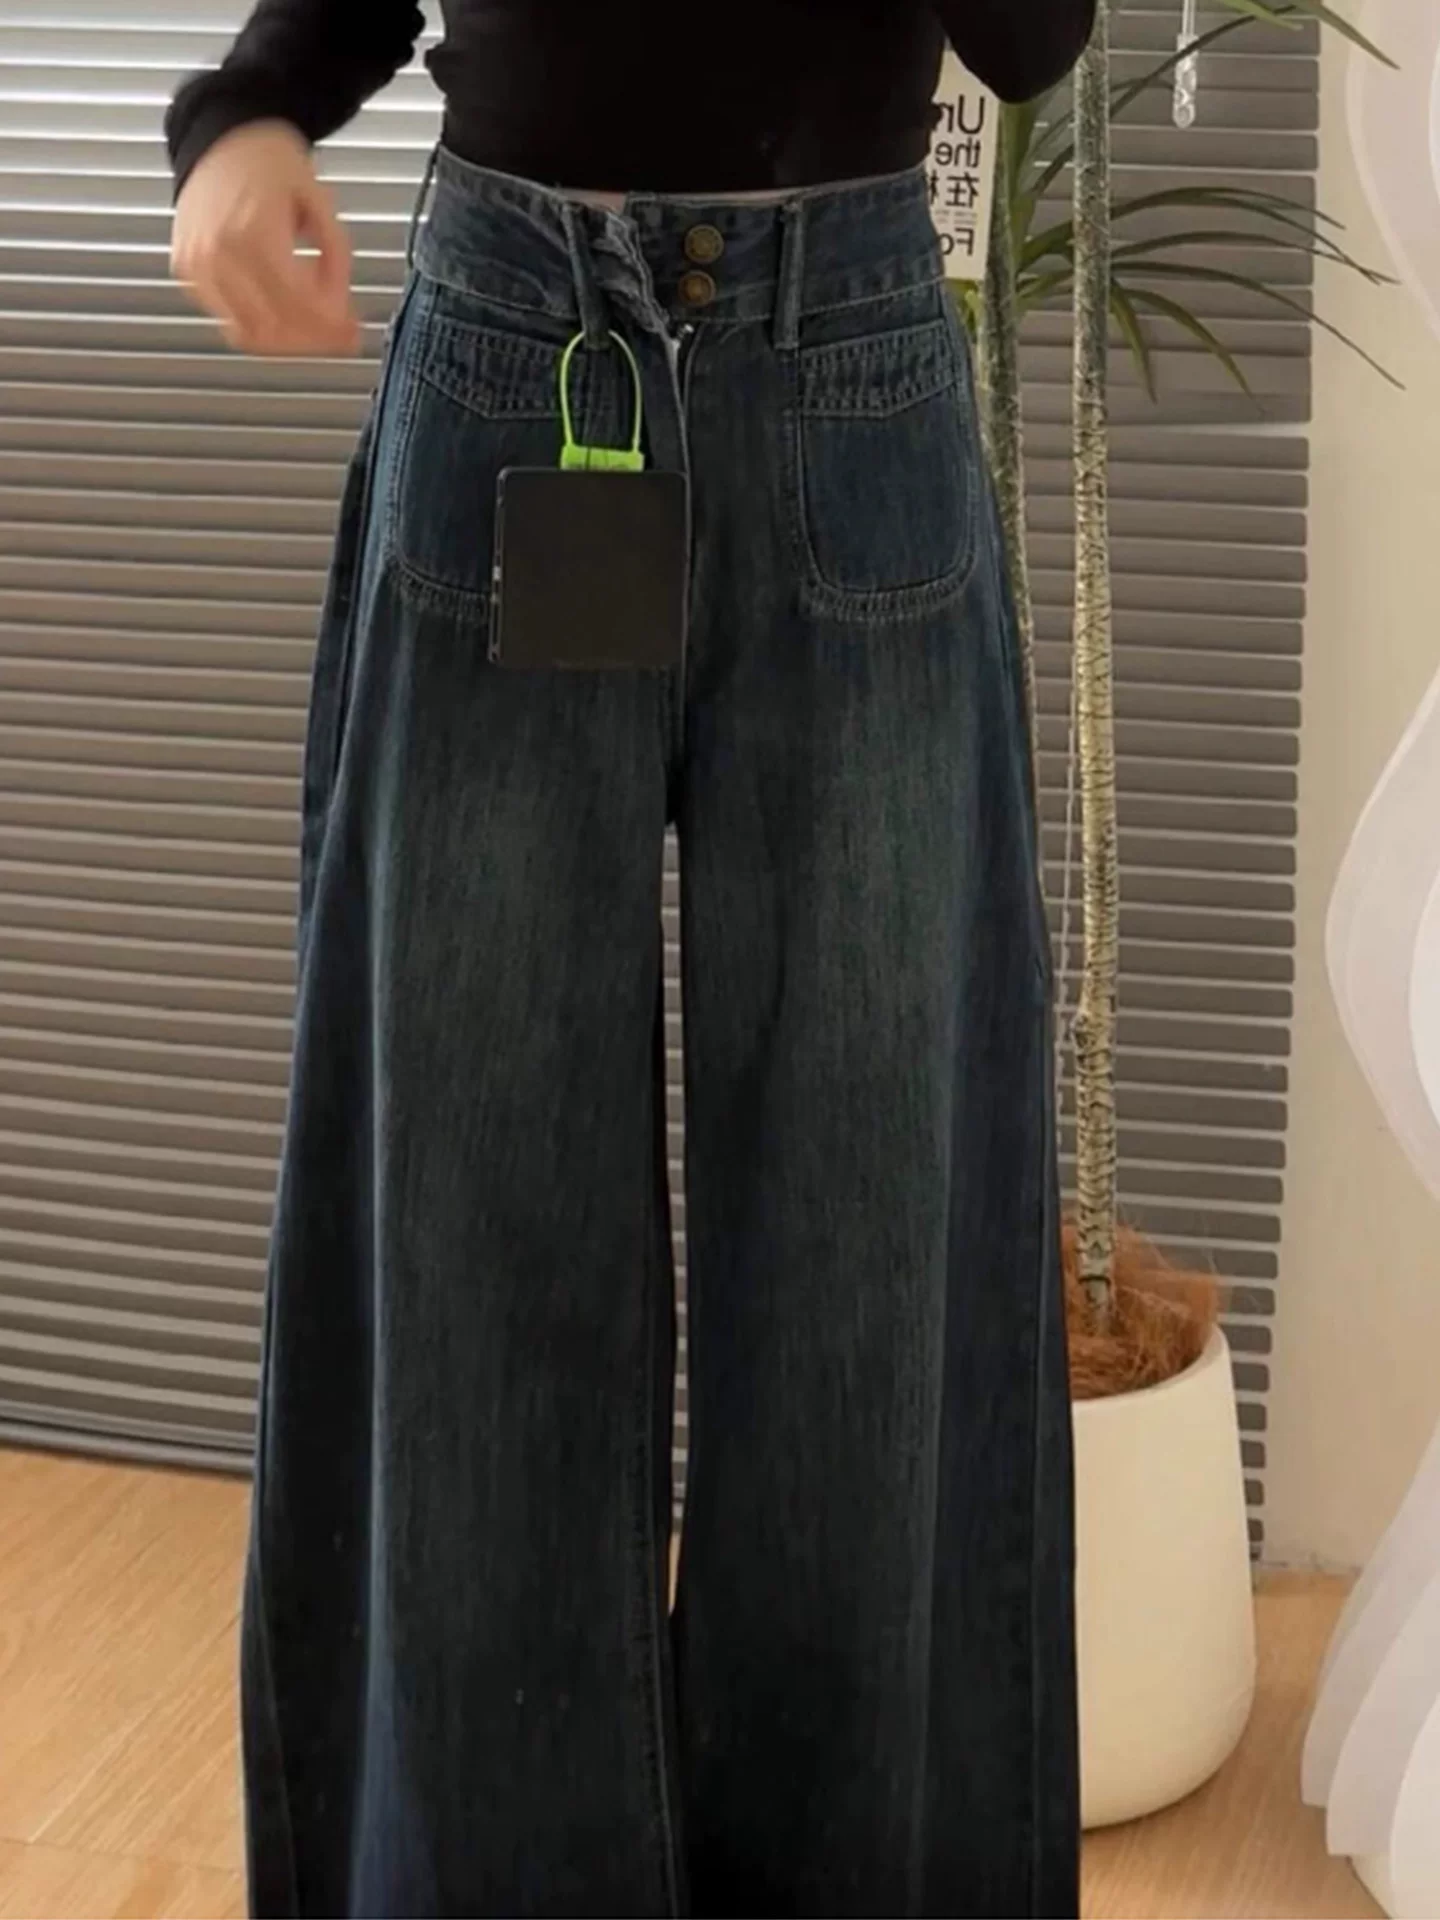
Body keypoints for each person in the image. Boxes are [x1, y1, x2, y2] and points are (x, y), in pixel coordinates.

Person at [166, 4, 1094, 1914]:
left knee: (873, 1263)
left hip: (851, 358)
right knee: (463, 1227)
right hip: (516, 341)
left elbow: (1032, 37)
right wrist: (249, 109)